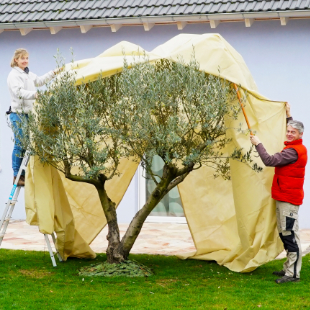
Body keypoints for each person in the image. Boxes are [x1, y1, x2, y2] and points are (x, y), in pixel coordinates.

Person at [250, 103, 307, 284]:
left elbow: (269, 160)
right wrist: (289, 116)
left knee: (290, 235)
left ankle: (293, 275)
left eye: (293, 132)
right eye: (288, 131)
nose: (289, 134)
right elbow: (292, 128)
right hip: (284, 196)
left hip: (288, 199)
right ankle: (288, 268)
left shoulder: (293, 152)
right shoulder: (295, 146)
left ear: (300, 135)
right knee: (285, 233)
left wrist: (258, 144)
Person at [7, 48, 61, 186]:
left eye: (27, 58)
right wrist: (34, 95)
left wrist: (54, 73)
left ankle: (23, 175)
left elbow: (40, 81)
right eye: (22, 58)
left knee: (28, 144)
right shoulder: (14, 75)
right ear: (16, 60)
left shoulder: (28, 74)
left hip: (28, 114)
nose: (25, 60)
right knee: (20, 142)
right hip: (18, 114)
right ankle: (16, 175)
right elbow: (18, 92)